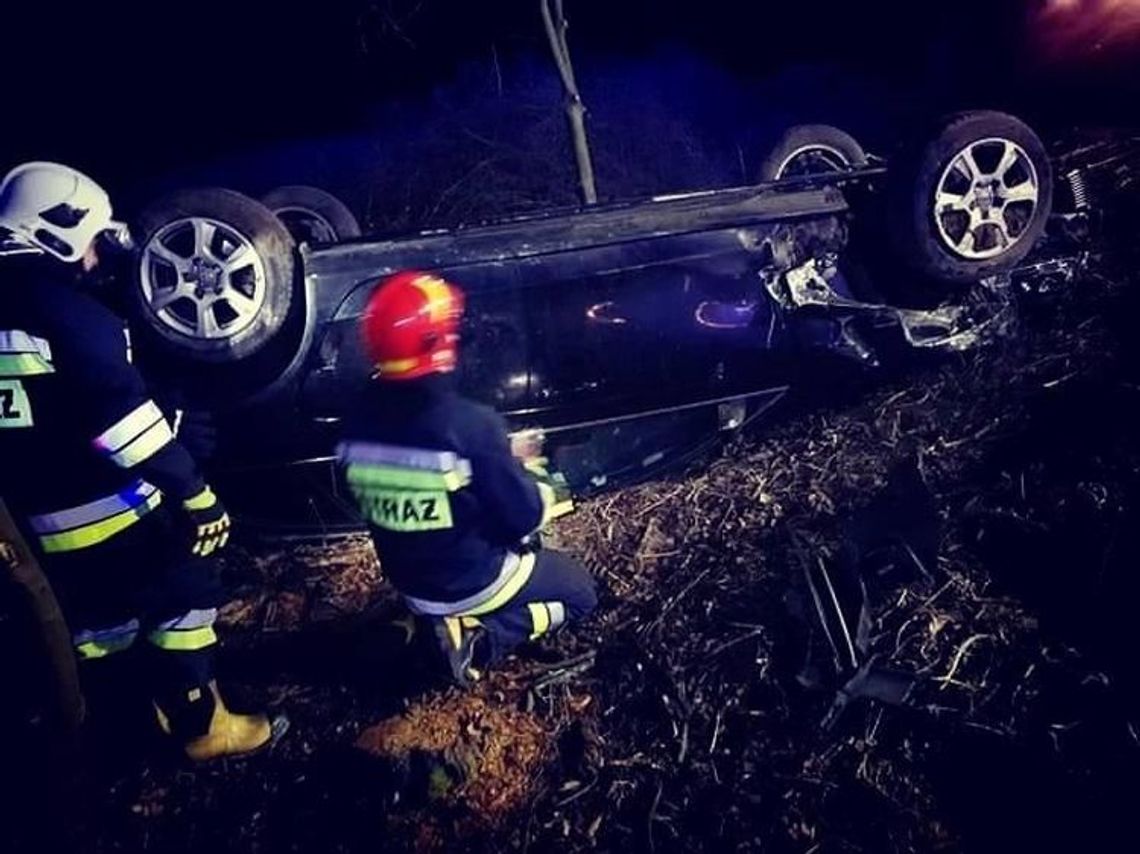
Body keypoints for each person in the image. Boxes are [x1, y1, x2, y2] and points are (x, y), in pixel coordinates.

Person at [0, 161, 282, 760]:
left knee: (101, 623)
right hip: (107, 509)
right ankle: (202, 725)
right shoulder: (66, 313)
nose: (98, 260)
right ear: (59, 232)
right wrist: (195, 493)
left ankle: (126, 722)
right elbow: (120, 425)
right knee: (187, 582)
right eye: (94, 243)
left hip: (34, 527)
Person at [337, 270, 597, 684]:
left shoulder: (355, 424)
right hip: (473, 581)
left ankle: (422, 623)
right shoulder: (468, 424)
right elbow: (523, 519)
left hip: (408, 581)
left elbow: (389, 486)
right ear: (437, 344)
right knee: (582, 594)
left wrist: (486, 460)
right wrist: (529, 475)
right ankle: (480, 639)